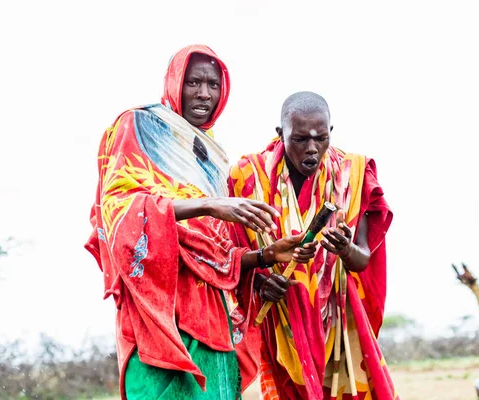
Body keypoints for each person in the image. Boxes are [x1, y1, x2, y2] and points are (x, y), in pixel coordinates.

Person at [84, 45, 315, 400]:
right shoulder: (139, 126)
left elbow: (213, 256)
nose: (204, 93)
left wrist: (266, 256)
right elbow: (119, 208)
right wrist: (209, 205)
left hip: (212, 315)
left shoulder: (212, 155)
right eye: (194, 82)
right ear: (175, 82)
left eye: (213, 84)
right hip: (160, 313)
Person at [228, 91, 398, 399]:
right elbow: (231, 256)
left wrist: (345, 249)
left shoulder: (352, 173)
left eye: (320, 138)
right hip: (280, 323)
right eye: (300, 139)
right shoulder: (247, 178)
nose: (311, 149)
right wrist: (262, 283)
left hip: (338, 324)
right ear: (280, 134)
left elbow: (362, 260)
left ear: (331, 132)